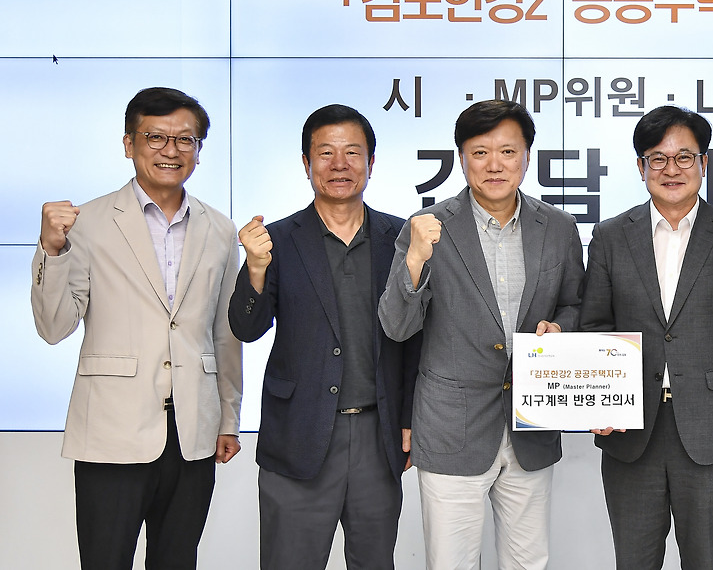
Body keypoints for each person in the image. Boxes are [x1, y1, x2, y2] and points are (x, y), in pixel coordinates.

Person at [30, 86, 243, 570]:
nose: (171, 150)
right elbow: (54, 326)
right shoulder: (86, 222)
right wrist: (51, 250)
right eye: (155, 137)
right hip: (112, 431)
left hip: (193, 432)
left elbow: (224, 333)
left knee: (177, 561)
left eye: (185, 139)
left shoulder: (220, 229)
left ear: (198, 150)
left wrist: (228, 417)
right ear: (129, 144)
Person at [378, 99, 584, 570]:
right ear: (461, 158)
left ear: (527, 157)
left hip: (532, 423)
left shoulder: (558, 227)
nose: (495, 165)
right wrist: (415, 259)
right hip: (452, 426)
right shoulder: (427, 227)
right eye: (480, 152)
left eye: (508, 152)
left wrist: (560, 328)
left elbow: (576, 305)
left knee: (528, 562)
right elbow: (397, 325)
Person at [581, 105, 713, 570]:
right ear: (641, 167)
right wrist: (599, 401)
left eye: (684, 157)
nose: (671, 169)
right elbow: (594, 326)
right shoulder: (611, 235)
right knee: (634, 561)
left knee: (707, 559)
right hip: (631, 426)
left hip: (709, 424)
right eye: (658, 158)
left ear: (704, 163)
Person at [228, 104, 422, 569]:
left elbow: (417, 339)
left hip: (377, 436)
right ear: (306, 163)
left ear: (371, 163)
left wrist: (411, 417)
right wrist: (255, 269)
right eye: (326, 153)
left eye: (352, 153)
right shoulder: (276, 240)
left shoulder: (402, 237)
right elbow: (246, 328)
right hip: (299, 433)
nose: (340, 164)